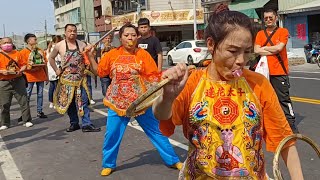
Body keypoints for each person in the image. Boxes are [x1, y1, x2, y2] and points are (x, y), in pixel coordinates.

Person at [152, 5, 303, 180]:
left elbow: (285, 142)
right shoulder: (192, 81)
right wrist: (167, 97)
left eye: (247, 52)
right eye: (233, 51)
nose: (241, 60)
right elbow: (162, 115)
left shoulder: (259, 84)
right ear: (211, 44)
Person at [87, 23, 183, 176]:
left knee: (157, 131)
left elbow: (153, 76)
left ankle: (172, 160)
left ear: (137, 37)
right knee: (112, 134)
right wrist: (91, 56)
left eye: (133, 35)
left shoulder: (143, 55)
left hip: (140, 103)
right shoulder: (111, 54)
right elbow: (99, 72)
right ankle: (108, 164)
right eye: (126, 35)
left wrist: (165, 83)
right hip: (117, 101)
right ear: (120, 37)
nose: (130, 38)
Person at [48, 24, 100, 133]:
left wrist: (90, 51)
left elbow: (90, 56)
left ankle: (86, 124)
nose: (72, 33)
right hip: (66, 80)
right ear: (65, 33)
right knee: (70, 103)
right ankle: (74, 123)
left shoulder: (82, 44)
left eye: (74, 31)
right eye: (70, 31)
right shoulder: (59, 45)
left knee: (83, 101)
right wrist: (57, 70)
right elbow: (51, 58)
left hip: (80, 79)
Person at [254, 9, 299, 133]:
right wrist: (271, 49)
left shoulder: (283, 31)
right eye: (266, 18)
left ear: (276, 18)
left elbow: (279, 48)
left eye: (271, 17)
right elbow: (256, 50)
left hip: (279, 72)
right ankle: (271, 125)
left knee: (283, 100)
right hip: (264, 73)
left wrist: (265, 48)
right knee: (265, 100)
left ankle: (291, 124)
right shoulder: (260, 34)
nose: (268, 20)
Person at [0, 37, 33, 130]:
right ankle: (4, 123)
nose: (7, 44)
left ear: (12, 43)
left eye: (9, 42)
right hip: (4, 81)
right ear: (0, 44)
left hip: (18, 80)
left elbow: (24, 65)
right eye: (5, 43)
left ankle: (27, 120)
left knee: (23, 101)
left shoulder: (17, 53)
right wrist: (2, 71)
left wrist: (20, 71)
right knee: (4, 103)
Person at [20, 33, 48, 118]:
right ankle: (25, 114)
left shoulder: (40, 50)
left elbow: (45, 64)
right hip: (29, 76)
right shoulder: (23, 52)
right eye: (34, 39)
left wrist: (47, 76)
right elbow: (22, 66)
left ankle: (40, 111)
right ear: (28, 41)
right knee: (27, 95)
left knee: (40, 94)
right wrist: (31, 69)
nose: (36, 41)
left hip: (40, 76)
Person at [46, 35, 63, 109]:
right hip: (56, 69)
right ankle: (57, 102)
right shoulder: (57, 48)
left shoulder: (49, 49)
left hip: (50, 70)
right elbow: (60, 59)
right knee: (57, 87)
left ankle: (51, 102)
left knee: (52, 87)